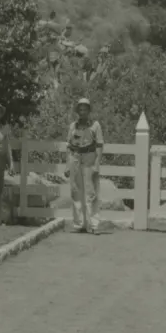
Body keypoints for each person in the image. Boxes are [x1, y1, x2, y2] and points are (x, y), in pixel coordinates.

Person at [66, 98, 104, 233]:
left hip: (89, 156)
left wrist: (97, 164)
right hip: (75, 157)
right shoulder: (73, 126)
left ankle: (93, 224)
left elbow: (99, 145)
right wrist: (67, 165)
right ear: (77, 111)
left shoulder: (95, 125)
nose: (83, 112)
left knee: (91, 191)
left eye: (85, 109)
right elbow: (69, 146)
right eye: (80, 109)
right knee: (76, 191)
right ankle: (79, 224)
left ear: (89, 111)